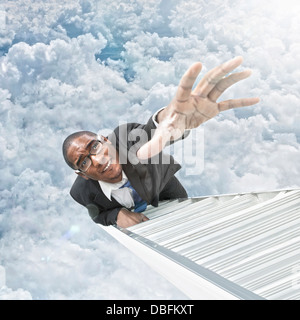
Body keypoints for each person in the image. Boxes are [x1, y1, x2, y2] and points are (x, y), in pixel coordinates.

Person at [62, 56, 259, 228]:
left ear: (105, 140)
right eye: (85, 162)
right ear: (83, 174)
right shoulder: (81, 192)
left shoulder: (125, 137)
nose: (97, 160)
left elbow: (150, 133)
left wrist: (171, 121)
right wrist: (116, 215)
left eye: (95, 147)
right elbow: (98, 215)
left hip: (165, 191)